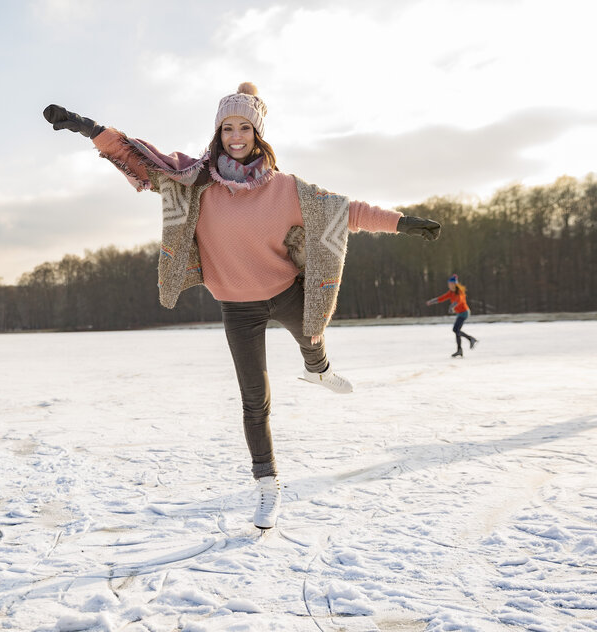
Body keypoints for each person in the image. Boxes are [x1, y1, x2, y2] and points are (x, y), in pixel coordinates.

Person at [43, 82, 441, 529]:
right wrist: (87, 128)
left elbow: (345, 210)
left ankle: (319, 369)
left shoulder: (288, 189)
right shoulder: (193, 182)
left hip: (285, 290)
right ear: (217, 132)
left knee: (313, 332)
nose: (236, 134)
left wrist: (403, 223)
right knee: (255, 401)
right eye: (227, 126)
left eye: (244, 126)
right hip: (238, 306)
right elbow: (137, 157)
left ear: (258, 132)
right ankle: (267, 486)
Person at [426, 273, 478, 357]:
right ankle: (459, 350)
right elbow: (442, 298)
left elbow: (459, 300)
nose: (449, 286)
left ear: (454, 284)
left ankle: (471, 339)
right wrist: (432, 301)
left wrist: (452, 306)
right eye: (448, 284)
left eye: (450, 284)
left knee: (455, 329)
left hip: (464, 313)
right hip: (460, 313)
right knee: (457, 331)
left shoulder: (460, 292)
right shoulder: (451, 293)